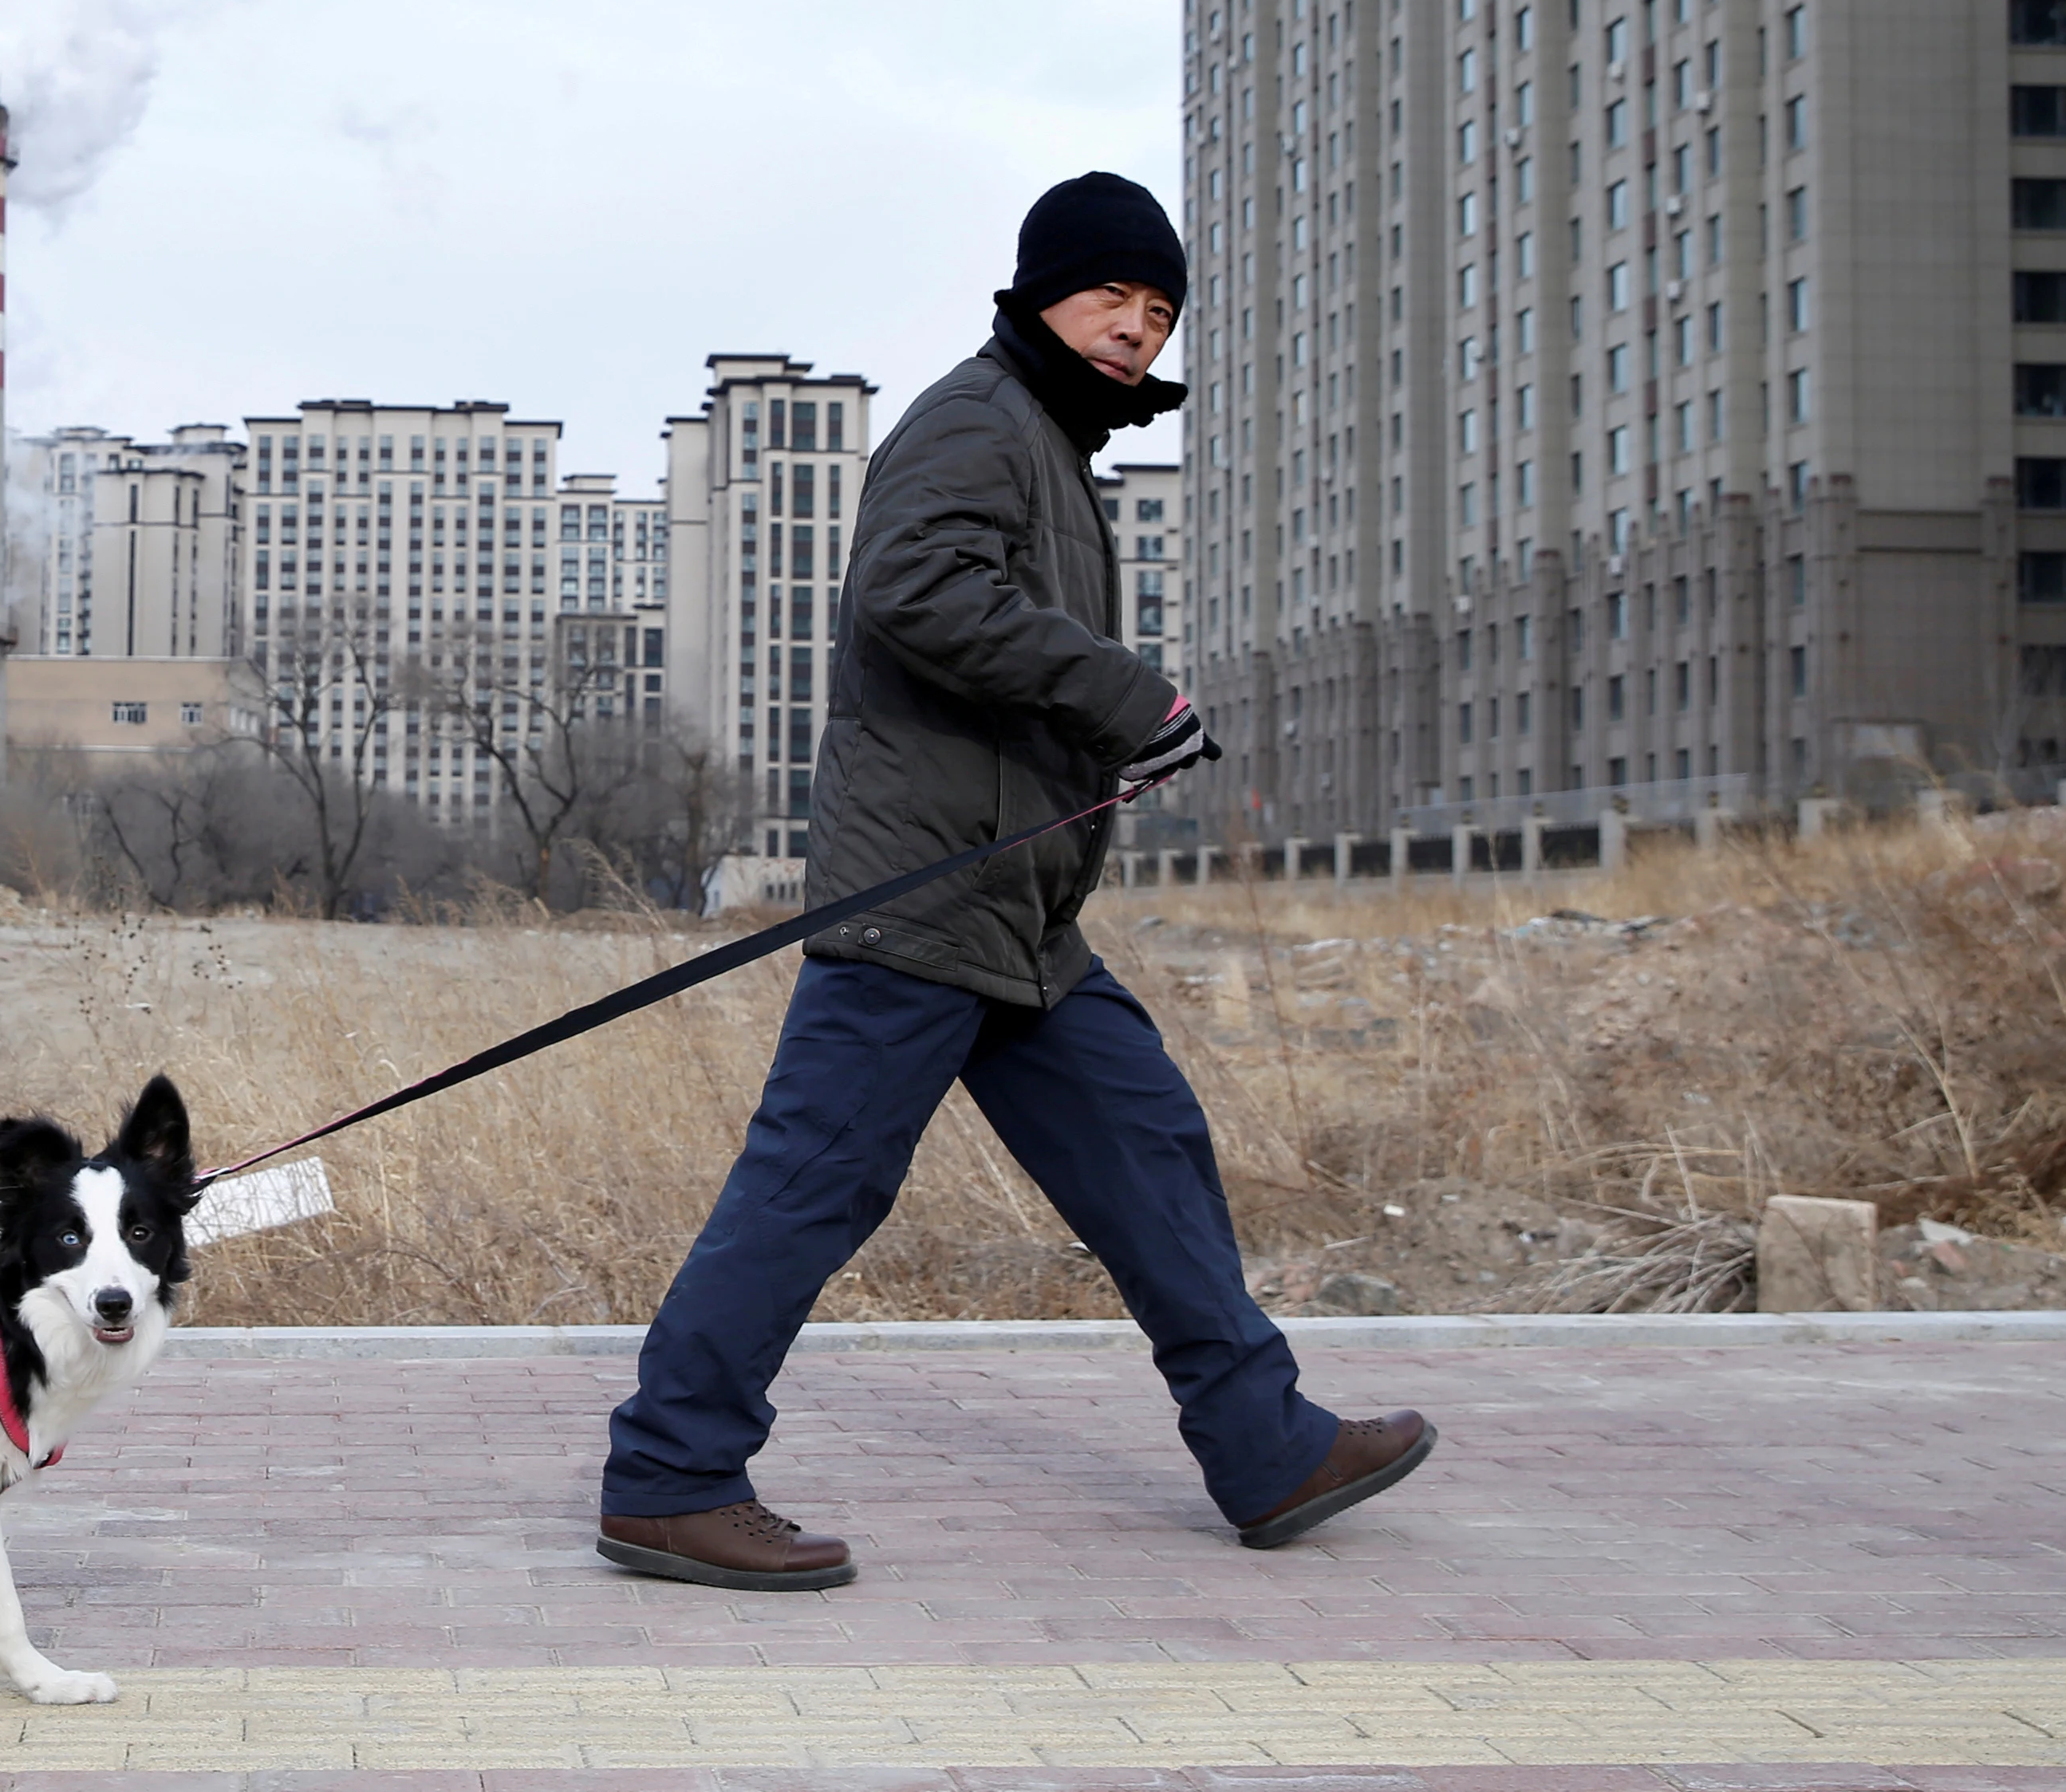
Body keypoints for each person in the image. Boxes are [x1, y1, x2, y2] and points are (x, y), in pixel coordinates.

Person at [593, 171, 1434, 1589]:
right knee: (814, 1184)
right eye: (1112, 296)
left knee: (1148, 1150)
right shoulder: (980, 418)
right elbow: (912, 592)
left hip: (1019, 918)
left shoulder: (1045, 440)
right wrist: (1121, 695)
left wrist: (1109, 735)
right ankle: (669, 1474)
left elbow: (995, 643)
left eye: (1160, 312)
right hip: (924, 900)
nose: (1135, 330)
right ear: (1044, 292)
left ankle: (1265, 1444)